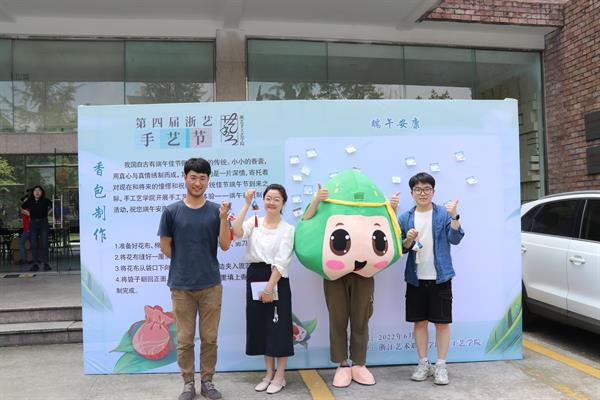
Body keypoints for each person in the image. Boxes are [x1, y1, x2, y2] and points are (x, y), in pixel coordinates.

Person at [158, 158, 232, 400]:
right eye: (193, 177)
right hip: (181, 286)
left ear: (208, 180)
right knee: (184, 339)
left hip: (211, 285)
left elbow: (225, 244)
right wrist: (186, 261)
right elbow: (165, 246)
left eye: (202, 178)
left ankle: (207, 382)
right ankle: (188, 383)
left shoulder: (216, 211)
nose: (197, 183)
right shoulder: (171, 211)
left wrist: (224, 218)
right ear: (185, 178)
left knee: (210, 338)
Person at [397, 172, 464, 385]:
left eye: (427, 189)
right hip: (415, 278)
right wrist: (407, 240)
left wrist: (454, 217)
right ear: (412, 193)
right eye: (418, 189)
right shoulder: (405, 218)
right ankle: (423, 363)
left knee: (442, 324)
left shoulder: (444, 214)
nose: (423, 193)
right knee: (419, 323)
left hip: (440, 277)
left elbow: (455, 239)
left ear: (433, 191)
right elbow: (401, 249)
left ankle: (441, 365)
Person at [232, 185, 295, 395]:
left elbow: (282, 261)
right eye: (268, 198)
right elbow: (236, 231)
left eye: (276, 199)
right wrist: (246, 204)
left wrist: (269, 289)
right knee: (262, 327)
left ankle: (280, 375)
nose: (271, 202)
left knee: (279, 327)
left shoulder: (288, 229)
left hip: (276, 278)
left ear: (283, 203)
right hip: (255, 276)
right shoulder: (255, 221)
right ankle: (268, 374)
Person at [21, 186, 52, 271]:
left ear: (42, 192)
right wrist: (28, 214)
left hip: (43, 222)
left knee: (44, 243)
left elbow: (52, 207)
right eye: (35, 190)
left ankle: (46, 264)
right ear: (33, 193)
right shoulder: (29, 201)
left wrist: (47, 214)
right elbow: (22, 207)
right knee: (34, 244)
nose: (37, 192)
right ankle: (35, 264)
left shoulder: (46, 200)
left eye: (39, 190)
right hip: (33, 223)